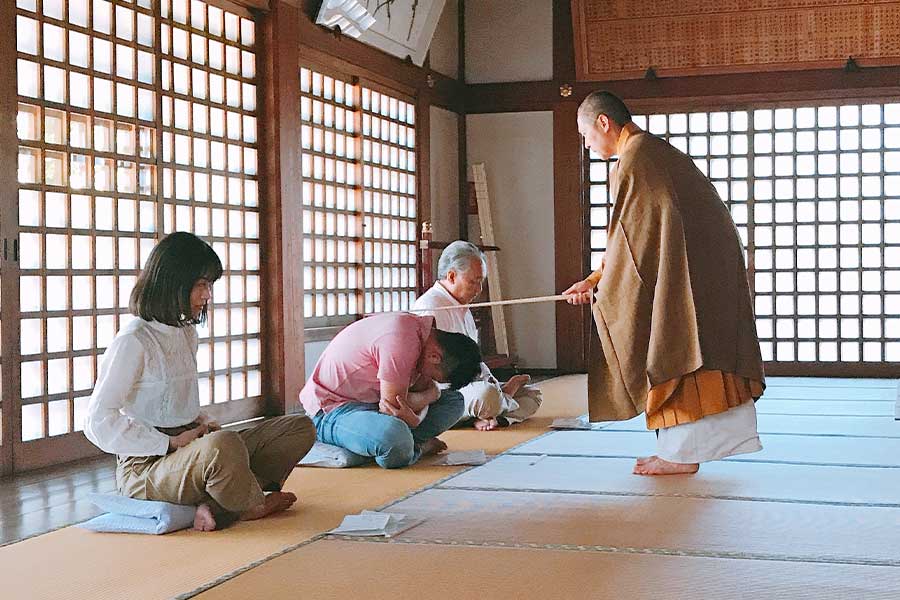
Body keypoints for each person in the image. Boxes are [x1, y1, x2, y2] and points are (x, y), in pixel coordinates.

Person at [563, 91, 765, 476]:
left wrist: (601, 288)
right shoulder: (653, 152)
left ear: (604, 122)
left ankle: (682, 455)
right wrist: (595, 280)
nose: (586, 143)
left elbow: (631, 243)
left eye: (586, 134)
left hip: (688, 274)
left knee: (677, 352)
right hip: (703, 272)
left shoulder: (637, 159)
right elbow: (633, 238)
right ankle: (681, 451)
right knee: (694, 353)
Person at [84, 232, 315, 531]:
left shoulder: (185, 332)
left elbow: (176, 402)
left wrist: (202, 422)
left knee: (299, 428)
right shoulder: (133, 340)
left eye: (209, 286)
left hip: (192, 450)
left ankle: (217, 504)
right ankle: (247, 504)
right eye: (201, 285)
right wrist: (168, 442)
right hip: (146, 469)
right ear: (173, 282)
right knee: (223, 447)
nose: (207, 296)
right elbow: (97, 421)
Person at [299, 312, 481, 468]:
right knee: (394, 440)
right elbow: (392, 407)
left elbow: (412, 401)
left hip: (374, 406)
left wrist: (427, 402)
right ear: (435, 357)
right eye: (436, 377)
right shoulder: (401, 340)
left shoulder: (425, 340)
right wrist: (427, 400)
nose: (433, 381)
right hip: (334, 409)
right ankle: (414, 448)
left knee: (455, 402)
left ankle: (380, 447)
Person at [413, 241, 542, 431]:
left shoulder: (462, 307)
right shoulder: (430, 307)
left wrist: (493, 383)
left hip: (470, 388)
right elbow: (432, 376)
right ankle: (495, 405)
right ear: (451, 276)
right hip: (440, 395)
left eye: (481, 281)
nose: (479, 289)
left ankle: (494, 416)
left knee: (533, 394)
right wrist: (496, 391)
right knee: (487, 395)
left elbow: (476, 362)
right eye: (473, 281)